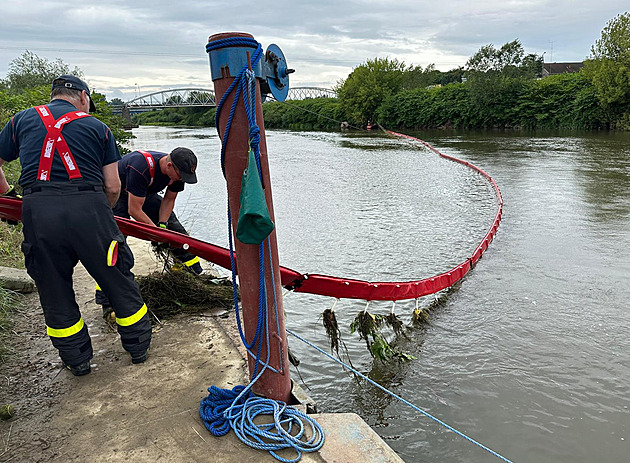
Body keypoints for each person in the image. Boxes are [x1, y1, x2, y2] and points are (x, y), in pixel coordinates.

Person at [0, 75, 152, 375]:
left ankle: (78, 361)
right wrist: (100, 216)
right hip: (90, 210)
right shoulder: (99, 128)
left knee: (53, 287)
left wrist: (7, 196)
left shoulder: (20, 121)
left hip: (39, 213)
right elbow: (112, 186)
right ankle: (138, 350)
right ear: (83, 96)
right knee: (117, 279)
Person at [95, 147, 204, 318]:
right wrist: (155, 234)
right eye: (181, 176)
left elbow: (169, 200)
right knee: (115, 244)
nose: (182, 179)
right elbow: (134, 209)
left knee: (177, 234)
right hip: (119, 195)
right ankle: (107, 301)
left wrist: (162, 226)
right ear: (169, 166)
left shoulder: (177, 173)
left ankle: (196, 275)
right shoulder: (142, 167)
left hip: (144, 194)